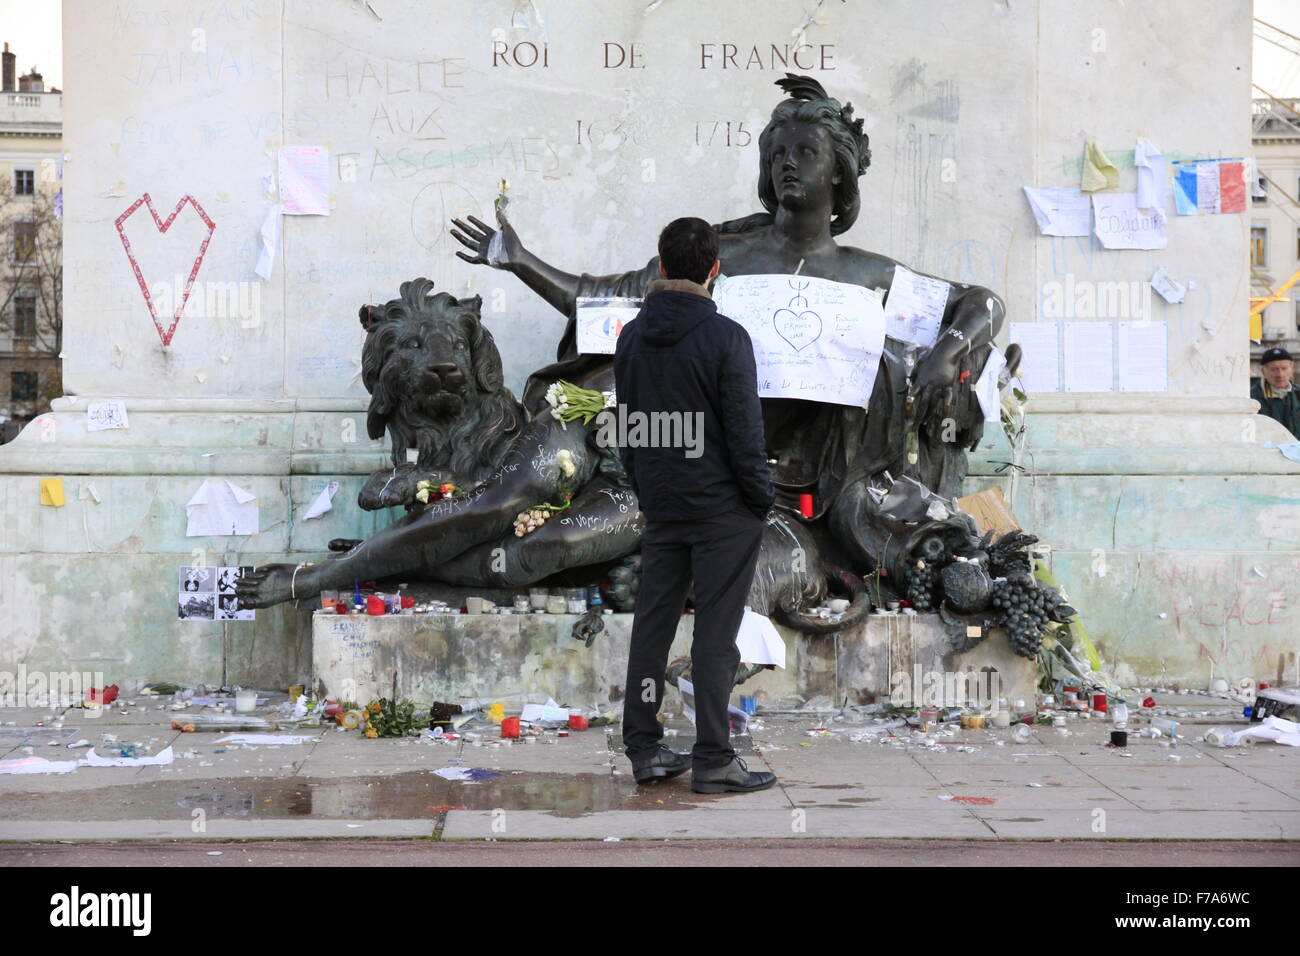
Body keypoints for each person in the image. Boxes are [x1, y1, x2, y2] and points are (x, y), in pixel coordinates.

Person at [613, 216, 778, 793]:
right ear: (715, 269)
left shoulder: (630, 337)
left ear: (661, 266)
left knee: (651, 629)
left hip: (663, 507)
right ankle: (713, 757)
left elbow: (628, 429)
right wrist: (760, 500)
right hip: (721, 511)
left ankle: (644, 748)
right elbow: (745, 435)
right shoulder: (726, 338)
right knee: (715, 634)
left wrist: (648, 488)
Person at [1252, 346, 1299, 439]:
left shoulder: (1298, 393)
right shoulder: (1252, 397)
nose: (1280, 374)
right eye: (1274, 369)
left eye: (1284, 368)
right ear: (1263, 371)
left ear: (1291, 369)